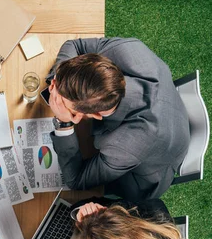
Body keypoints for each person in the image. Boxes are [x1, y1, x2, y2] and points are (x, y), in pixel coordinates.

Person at [46, 37, 190, 200]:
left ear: (96, 115)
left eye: (62, 102)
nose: (55, 97)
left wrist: (64, 123)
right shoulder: (128, 50)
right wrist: (58, 78)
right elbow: (74, 44)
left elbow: (76, 179)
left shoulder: (124, 147)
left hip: (141, 177)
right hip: (168, 112)